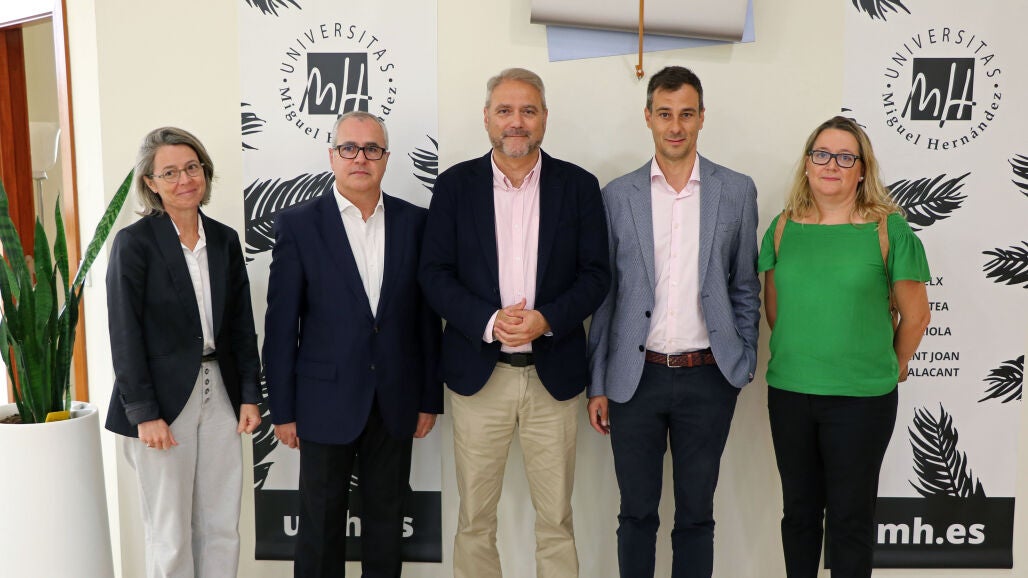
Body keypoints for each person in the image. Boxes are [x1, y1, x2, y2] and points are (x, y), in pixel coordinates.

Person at [419, 68, 610, 578]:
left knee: (557, 520)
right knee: (475, 520)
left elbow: (597, 275)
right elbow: (433, 274)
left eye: (528, 111)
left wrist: (546, 319)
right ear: (487, 117)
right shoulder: (455, 186)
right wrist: (488, 321)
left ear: (544, 117)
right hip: (479, 378)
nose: (516, 122)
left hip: (553, 378)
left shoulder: (579, 186)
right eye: (505, 110)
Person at [586, 65, 761, 578]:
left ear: (702, 117)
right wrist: (599, 382)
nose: (676, 126)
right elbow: (607, 298)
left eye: (686, 114)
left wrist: (742, 358)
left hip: (708, 376)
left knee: (696, 517)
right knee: (636, 515)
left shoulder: (736, 190)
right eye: (665, 114)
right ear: (648, 117)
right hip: (634, 380)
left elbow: (744, 284)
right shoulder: (618, 196)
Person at [263, 111, 442, 578]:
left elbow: (426, 320)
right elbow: (280, 326)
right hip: (322, 400)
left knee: (387, 524)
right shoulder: (299, 225)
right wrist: (282, 410)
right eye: (349, 148)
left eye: (372, 149)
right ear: (332, 156)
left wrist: (429, 398)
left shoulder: (416, 223)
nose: (360, 158)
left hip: (396, 399)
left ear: (386, 157)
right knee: (320, 528)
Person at [758, 116, 931, 577]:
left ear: (862, 170)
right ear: (807, 163)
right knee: (798, 515)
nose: (831, 164)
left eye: (845, 157)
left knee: (850, 520)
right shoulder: (782, 228)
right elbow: (776, 312)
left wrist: (890, 365)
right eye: (822, 154)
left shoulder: (889, 231)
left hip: (862, 401)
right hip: (791, 394)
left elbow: (916, 316)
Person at [106, 126, 262, 578]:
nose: (184, 180)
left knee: (221, 526)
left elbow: (241, 325)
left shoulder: (225, 240)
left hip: (222, 394)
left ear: (205, 172)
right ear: (150, 183)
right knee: (170, 532)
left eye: (192, 167)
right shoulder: (134, 244)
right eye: (170, 172)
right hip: (162, 401)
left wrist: (249, 394)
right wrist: (144, 413)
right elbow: (124, 334)